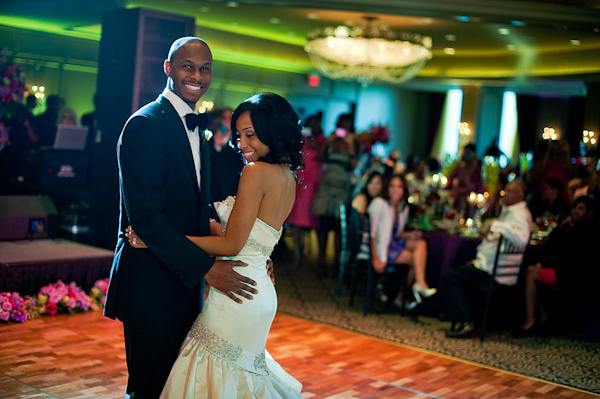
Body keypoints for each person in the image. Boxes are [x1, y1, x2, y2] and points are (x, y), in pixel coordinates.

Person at [103, 37, 262, 399]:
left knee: (178, 388)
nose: (197, 75)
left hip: (185, 284)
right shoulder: (144, 124)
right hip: (150, 283)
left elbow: (197, 207)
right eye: (187, 66)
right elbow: (146, 218)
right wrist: (208, 269)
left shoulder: (198, 129)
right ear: (168, 68)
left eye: (205, 68)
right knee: (148, 388)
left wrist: (251, 255)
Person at [128, 92, 304, 398]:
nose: (242, 144)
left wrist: (156, 240)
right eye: (239, 135)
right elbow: (255, 237)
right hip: (257, 289)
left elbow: (232, 243)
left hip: (236, 292)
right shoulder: (286, 175)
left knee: (213, 378)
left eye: (250, 134)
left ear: (274, 131)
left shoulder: (255, 172)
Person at [441, 181, 533, 338]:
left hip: (496, 272)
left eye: (511, 191)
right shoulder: (510, 211)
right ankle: (473, 319)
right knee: (459, 269)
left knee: (450, 275)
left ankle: (468, 321)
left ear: (520, 195)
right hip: (490, 267)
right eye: (506, 189)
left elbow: (523, 239)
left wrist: (497, 226)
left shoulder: (520, 214)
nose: (505, 193)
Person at [521, 195, 599, 335]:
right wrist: (561, 227)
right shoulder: (574, 227)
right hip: (569, 273)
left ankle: (530, 320)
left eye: (581, 209)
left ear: (589, 213)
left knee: (530, 276)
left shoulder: (584, 230)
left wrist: (543, 265)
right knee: (530, 272)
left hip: (571, 277)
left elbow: (566, 254)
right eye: (575, 207)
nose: (575, 211)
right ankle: (543, 316)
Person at [367, 174, 435, 309]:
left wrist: (410, 234)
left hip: (393, 242)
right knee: (416, 260)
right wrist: (375, 258)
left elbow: (397, 233)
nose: (395, 189)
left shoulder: (403, 207)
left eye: (399, 186)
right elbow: (371, 235)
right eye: (392, 186)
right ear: (387, 188)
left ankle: (419, 283)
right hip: (382, 246)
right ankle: (400, 294)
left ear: (404, 189)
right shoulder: (379, 203)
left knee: (421, 243)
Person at [310, 113, 356, 276]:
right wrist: (328, 141)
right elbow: (320, 157)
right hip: (327, 183)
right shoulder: (331, 139)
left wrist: (350, 145)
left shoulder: (353, 142)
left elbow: (354, 165)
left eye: (347, 125)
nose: (344, 128)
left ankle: (336, 262)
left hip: (342, 185)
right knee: (323, 225)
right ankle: (320, 260)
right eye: (341, 124)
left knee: (338, 226)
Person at [286, 113, 325, 268]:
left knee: (316, 221)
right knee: (297, 221)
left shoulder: (322, 139)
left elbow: (322, 156)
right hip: (300, 183)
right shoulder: (301, 138)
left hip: (315, 185)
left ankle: (319, 259)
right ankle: (297, 256)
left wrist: (315, 142)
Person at [207, 107, 244, 203]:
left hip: (230, 188)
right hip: (213, 188)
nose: (227, 121)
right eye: (225, 118)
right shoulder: (213, 138)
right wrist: (217, 144)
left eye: (230, 118)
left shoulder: (239, 141)